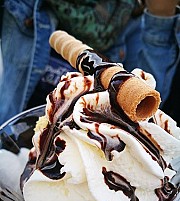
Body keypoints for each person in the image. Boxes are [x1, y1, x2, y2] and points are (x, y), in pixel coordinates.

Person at [0, 0, 179, 125]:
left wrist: (160, 17)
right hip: (14, 146)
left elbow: (145, 107)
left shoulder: (132, 16)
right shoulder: (19, 6)